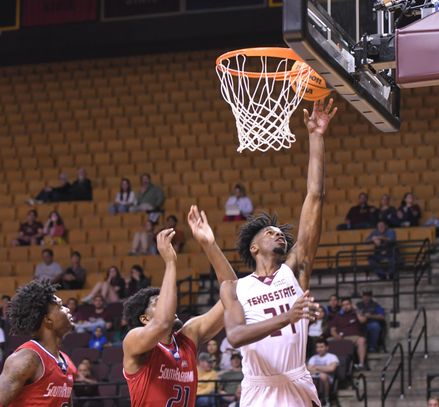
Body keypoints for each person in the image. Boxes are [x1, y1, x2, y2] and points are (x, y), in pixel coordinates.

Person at [219, 99, 336, 407]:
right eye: (269, 232)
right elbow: (236, 337)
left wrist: (316, 138)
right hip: (258, 386)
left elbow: (315, 196)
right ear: (254, 247)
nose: (278, 234)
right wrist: (289, 316)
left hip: (296, 378)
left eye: (281, 233)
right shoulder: (237, 288)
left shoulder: (295, 269)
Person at [122, 206, 238, 407]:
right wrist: (170, 263)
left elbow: (234, 292)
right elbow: (162, 322)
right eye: (159, 302)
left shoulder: (188, 336)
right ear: (144, 318)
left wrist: (209, 245)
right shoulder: (134, 340)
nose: (170, 304)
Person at [0, 280, 77, 406]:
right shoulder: (26, 359)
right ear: (48, 320)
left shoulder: (67, 362)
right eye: (60, 306)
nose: (67, 309)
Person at [328, 297, 368, 370]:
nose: (345, 306)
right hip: (340, 337)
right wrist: (336, 336)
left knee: (362, 340)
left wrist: (356, 310)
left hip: (354, 337)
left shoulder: (356, 313)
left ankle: (361, 364)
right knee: (326, 342)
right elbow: (332, 330)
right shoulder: (338, 315)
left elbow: (363, 320)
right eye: (343, 305)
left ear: (351, 305)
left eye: (347, 304)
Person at [307, 338, 339, 406]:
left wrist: (316, 367)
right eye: (317, 347)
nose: (319, 349)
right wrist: (323, 369)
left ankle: (326, 398)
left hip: (328, 379)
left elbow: (331, 368)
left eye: (321, 347)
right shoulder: (313, 357)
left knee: (323, 376)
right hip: (314, 376)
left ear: (326, 347)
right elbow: (308, 369)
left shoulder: (332, 357)